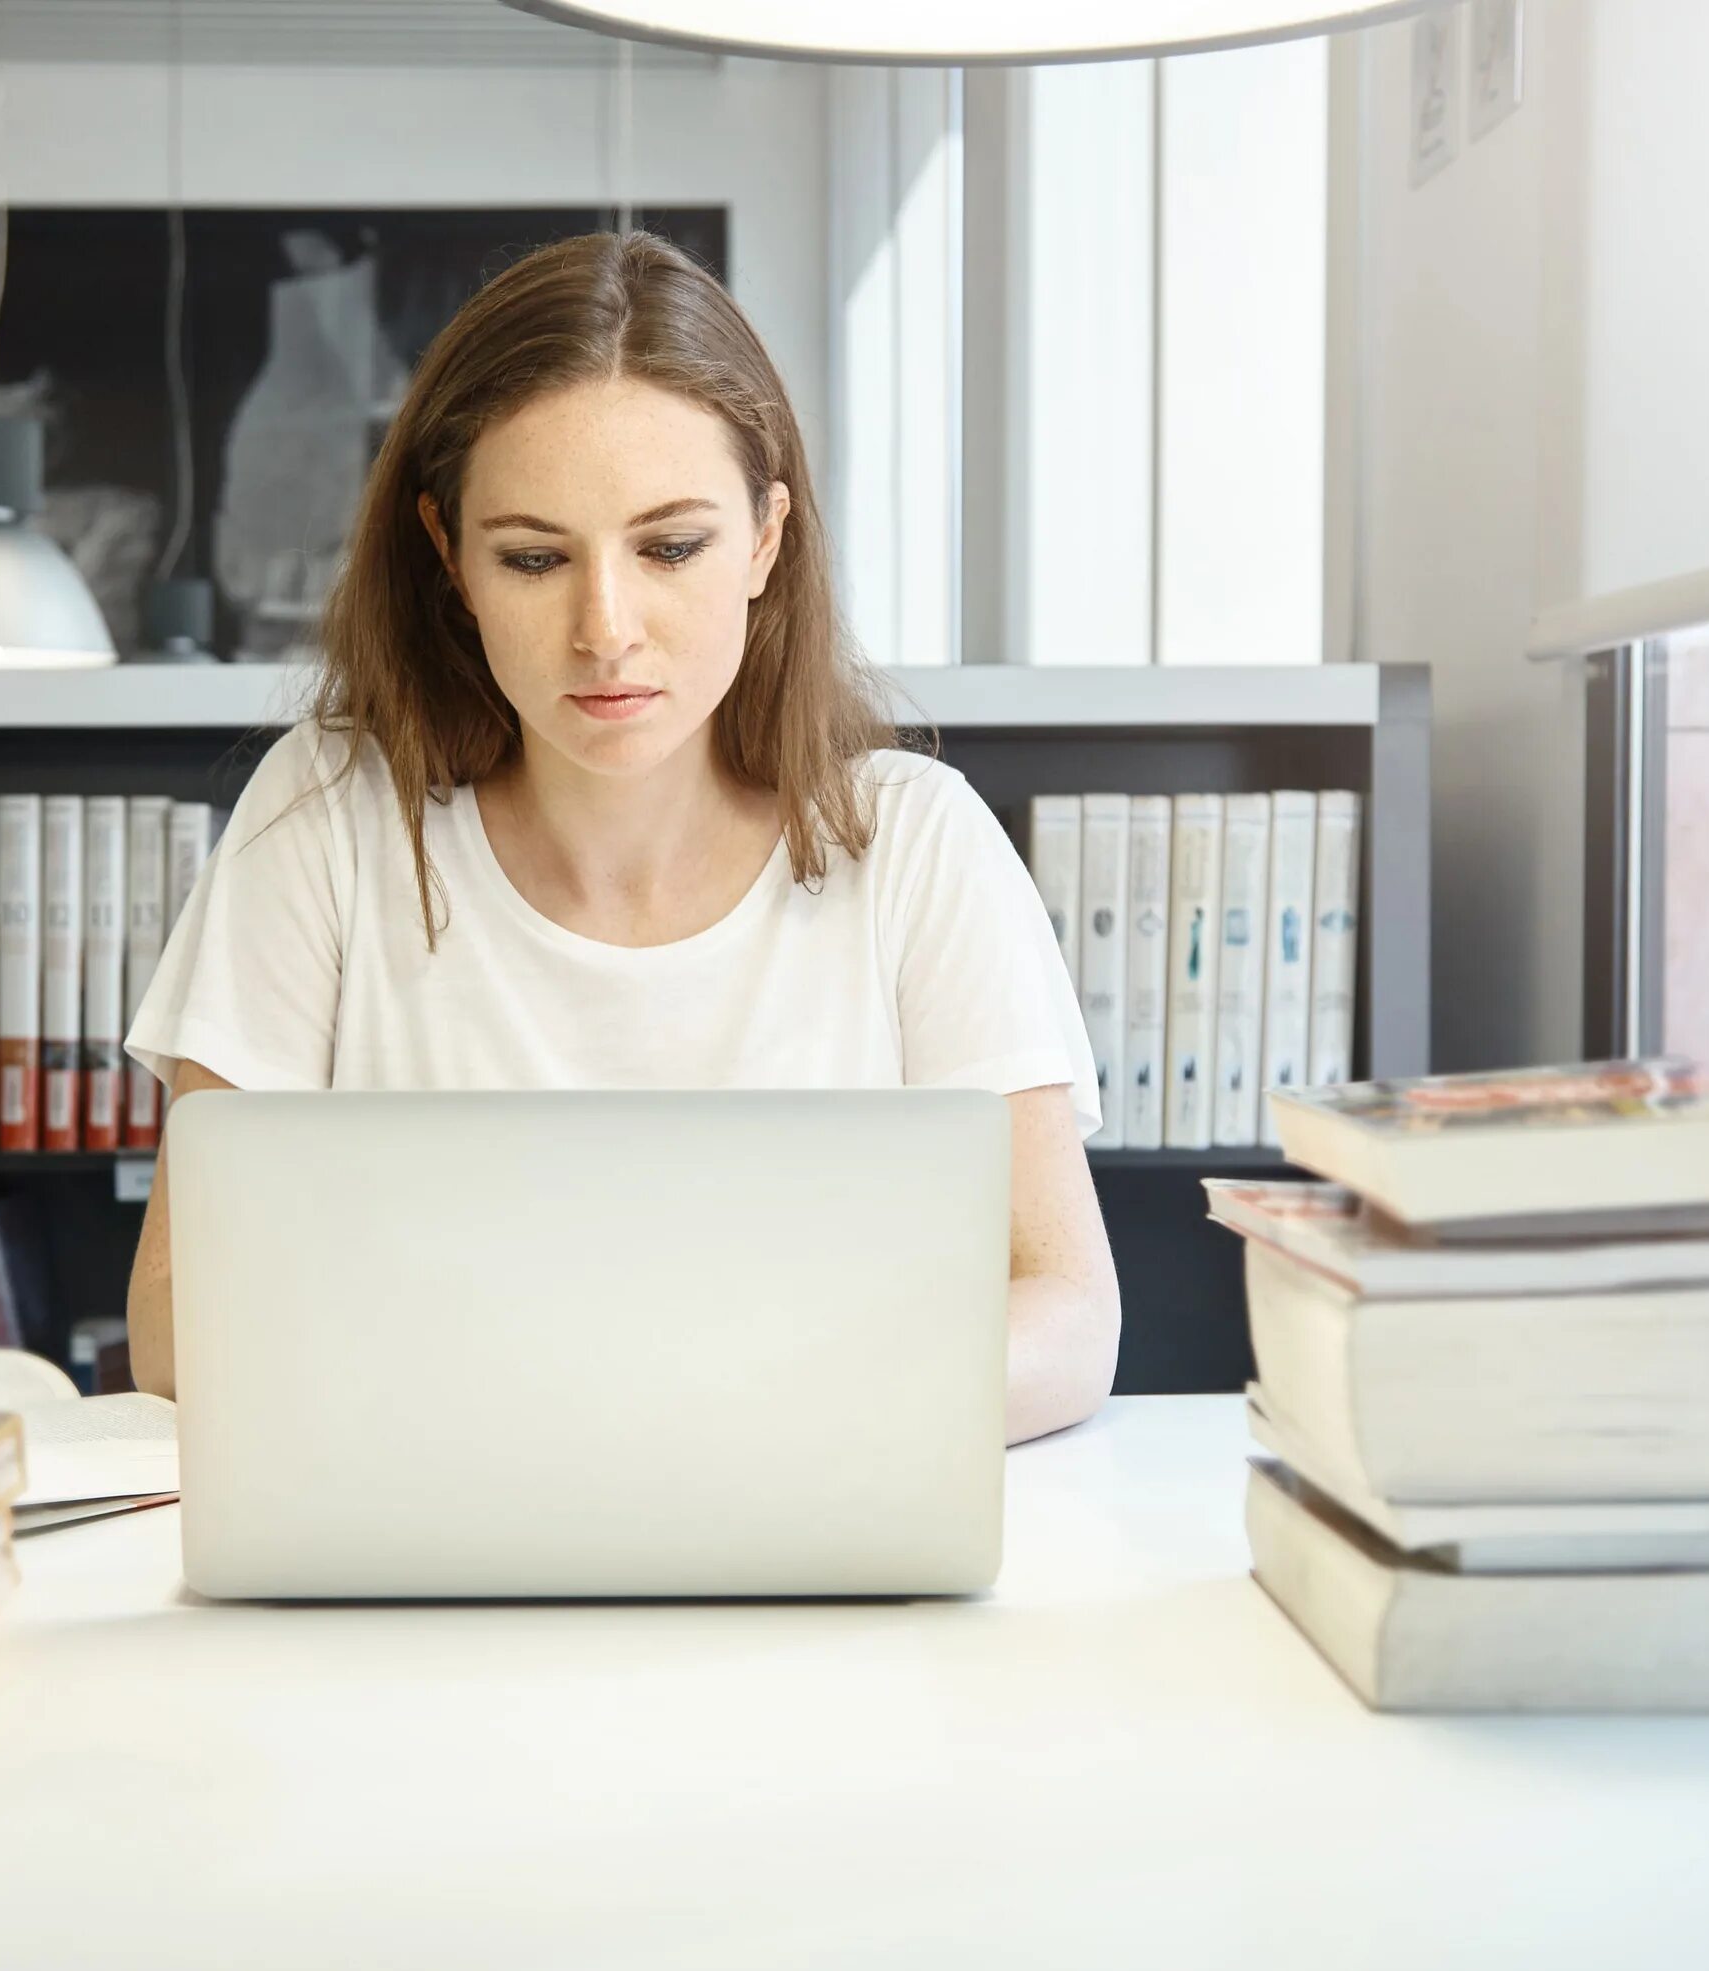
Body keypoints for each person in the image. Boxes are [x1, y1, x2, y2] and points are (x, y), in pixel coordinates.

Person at [123, 231, 1118, 1444]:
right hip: (434, 1557)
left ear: (764, 538)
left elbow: (1068, 1314)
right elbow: (174, 1318)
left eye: (669, 547)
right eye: (534, 557)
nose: (606, 629)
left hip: (804, 1526)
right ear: (449, 557)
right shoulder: (326, 818)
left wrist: (730, 1416)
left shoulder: (916, 844)